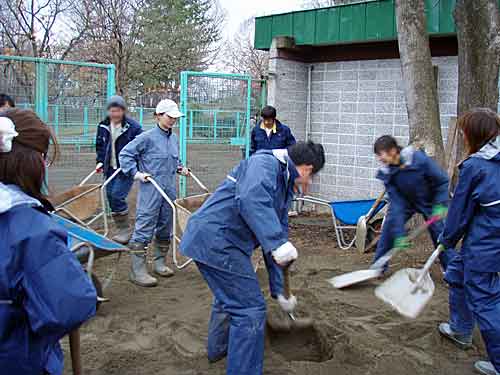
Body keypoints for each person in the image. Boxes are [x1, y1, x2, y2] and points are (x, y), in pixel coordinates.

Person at [180, 141, 325, 375]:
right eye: (312, 177)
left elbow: (275, 240)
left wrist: (280, 291)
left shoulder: (283, 182)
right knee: (249, 310)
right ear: (307, 168)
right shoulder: (264, 164)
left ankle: (220, 350)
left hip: (224, 242)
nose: (310, 184)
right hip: (216, 239)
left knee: (230, 297)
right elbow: (250, 199)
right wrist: (277, 243)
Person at [0, 109, 97, 375]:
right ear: (32, 160)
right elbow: (69, 306)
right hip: (15, 357)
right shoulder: (29, 230)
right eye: (44, 157)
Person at [437, 109, 500, 375]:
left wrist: (446, 239)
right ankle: (461, 329)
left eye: (465, 132)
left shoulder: (475, 166)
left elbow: (459, 212)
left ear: (473, 134)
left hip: (488, 241)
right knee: (457, 274)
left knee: (485, 299)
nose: (463, 137)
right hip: (485, 234)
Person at [119, 99, 189, 287]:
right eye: (170, 116)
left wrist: (180, 168)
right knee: (144, 225)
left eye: (175, 117)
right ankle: (137, 270)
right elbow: (125, 155)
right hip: (151, 189)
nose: (173, 120)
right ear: (158, 115)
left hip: (168, 190)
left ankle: (159, 262)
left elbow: (173, 161)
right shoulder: (146, 137)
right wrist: (136, 173)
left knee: (166, 225)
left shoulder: (173, 139)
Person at [372, 135, 456, 271]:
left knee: (440, 234)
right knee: (389, 227)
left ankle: (452, 270)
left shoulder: (418, 159)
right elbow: (396, 205)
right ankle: (378, 267)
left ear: (393, 151)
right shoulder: (387, 173)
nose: (379, 159)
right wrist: (399, 234)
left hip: (430, 201)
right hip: (406, 202)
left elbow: (442, 181)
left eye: (380, 154)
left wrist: (440, 203)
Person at [95, 95, 142, 244]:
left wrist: (132, 164)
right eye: (112, 111)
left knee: (117, 195)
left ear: (123, 111)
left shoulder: (133, 127)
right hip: (110, 167)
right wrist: (100, 162)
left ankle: (125, 230)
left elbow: (141, 147)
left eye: (118, 111)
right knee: (110, 195)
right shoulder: (103, 126)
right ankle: (122, 228)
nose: (115, 114)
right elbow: (100, 146)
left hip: (125, 168)